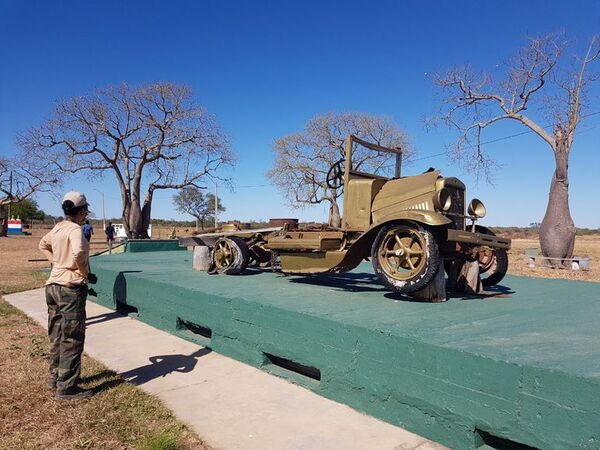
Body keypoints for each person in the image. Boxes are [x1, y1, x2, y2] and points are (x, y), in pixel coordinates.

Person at [38, 191, 94, 400]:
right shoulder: (74, 229)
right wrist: (83, 272)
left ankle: (56, 376)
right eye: (86, 209)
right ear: (80, 211)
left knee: (56, 332)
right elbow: (79, 253)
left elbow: (42, 244)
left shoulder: (57, 228)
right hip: (70, 287)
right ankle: (67, 387)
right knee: (72, 336)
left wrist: (56, 263)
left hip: (52, 285)